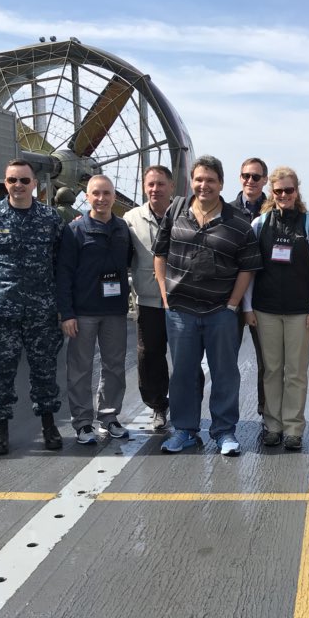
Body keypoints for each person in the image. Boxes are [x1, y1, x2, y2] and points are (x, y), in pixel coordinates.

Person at [153, 155, 262, 456]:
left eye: (210, 180)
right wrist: (165, 296)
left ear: (221, 184)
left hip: (220, 313)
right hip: (180, 313)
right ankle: (185, 431)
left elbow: (248, 267)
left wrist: (233, 304)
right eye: (199, 179)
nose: (204, 185)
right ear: (192, 181)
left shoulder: (239, 224)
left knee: (225, 373)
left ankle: (224, 432)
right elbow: (159, 254)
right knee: (183, 374)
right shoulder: (175, 213)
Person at [0, 159, 65, 456]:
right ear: (5, 183)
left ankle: (49, 424)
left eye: (24, 180)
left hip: (41, 310)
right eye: (12, 180)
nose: (18, 186)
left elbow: (61, 260)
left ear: (35, 183)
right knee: (1, 372)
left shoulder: (50, 218)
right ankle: (0, 428)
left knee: (45, 370)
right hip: (2, 311)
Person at [242, 167, 309, 450]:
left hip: (299, 312)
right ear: (272, 193)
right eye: (278, 191)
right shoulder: (260, 224)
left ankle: (293, 428)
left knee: (295, 372)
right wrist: (248, 306)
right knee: (271, 370)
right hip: (265, 309)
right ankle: (273, 425)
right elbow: (251, 270)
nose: (283, 196)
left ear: (296, 192)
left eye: (288, 191)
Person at [57, 175, 134, 445]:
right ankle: (82, 423)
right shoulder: (74, 230)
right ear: (86, 197)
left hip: (114, 311)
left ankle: (109, 417)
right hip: (83, 312)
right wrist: (66, 313)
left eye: (106, 193)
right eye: (95, 193)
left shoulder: (123, 229)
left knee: (114, 366)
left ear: (114, 196)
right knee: (80, 368)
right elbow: (64, 273)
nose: (101, 199)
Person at [125, 165, 183, 430]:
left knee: (186, 358)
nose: (155, 189)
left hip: (183, 301)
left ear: (171, 186)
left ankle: (185, 407)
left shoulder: (186, 215)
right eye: (150, 184)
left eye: (160, 184)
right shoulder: (131, 219)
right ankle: (158, 406)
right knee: (149, 356)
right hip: (149, 301)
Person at [233, 157, 269, 419]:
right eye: (246, 175)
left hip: (263, 297)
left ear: (265, 180)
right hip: (232, 296)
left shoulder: (275, 208)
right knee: (225, 361)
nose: (250, 181)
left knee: (267, 363)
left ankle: (266, 411)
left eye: (256, 176)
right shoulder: (227, 210)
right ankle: (226, 416)